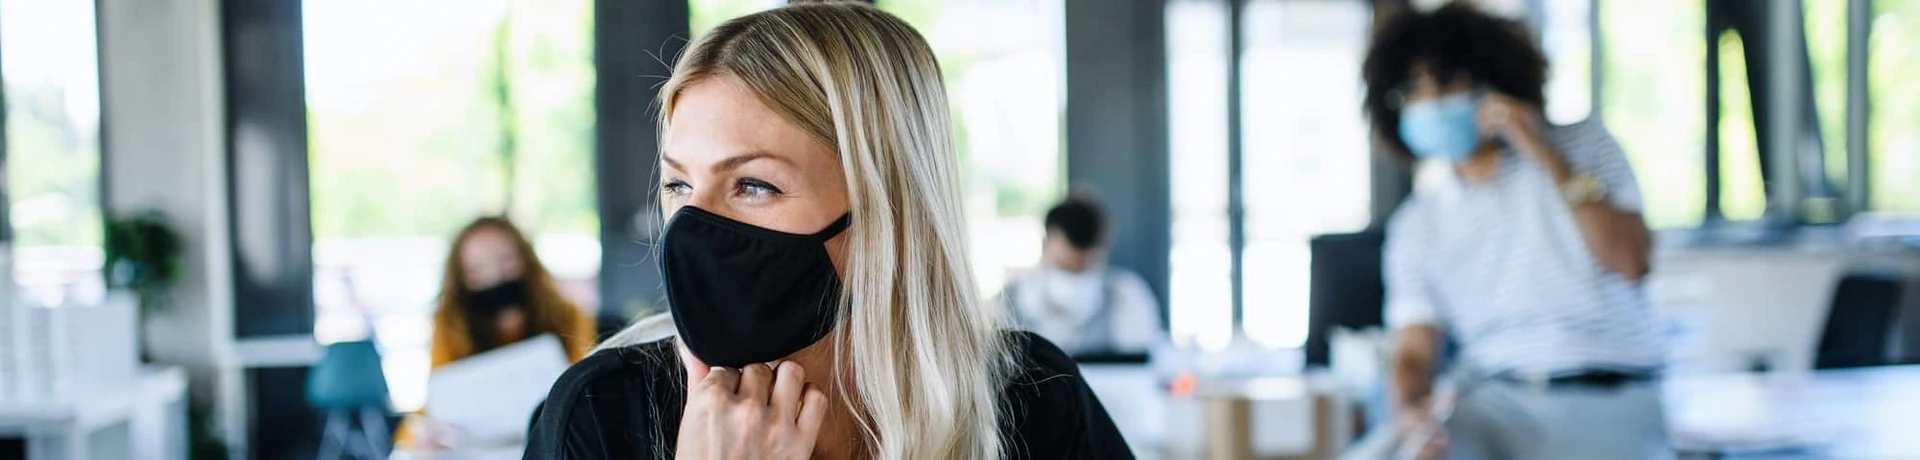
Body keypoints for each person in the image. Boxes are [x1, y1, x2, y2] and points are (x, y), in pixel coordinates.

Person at [524, 2, 1130, 459]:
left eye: (753, 185)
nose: (693, 224)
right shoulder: (603, 413)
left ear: (889, 209)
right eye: (679, 185)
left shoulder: (1030, 396)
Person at [1363, 3, 1668, 459]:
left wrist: (1542, 152)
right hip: (1494, 403)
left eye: (1445, 83)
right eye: (1412, 91)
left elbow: (1632, 260)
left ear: (1490, 83)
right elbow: (1414, 354)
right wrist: (1413, 414)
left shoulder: (1584, 146)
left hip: (1612, 396)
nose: (1429, 102)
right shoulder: (1416, 225)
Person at [402, 216, 596, 450]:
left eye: (505, 260)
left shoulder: (568, 316)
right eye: (476, 269)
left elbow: (582, 385)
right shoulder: (450, 325)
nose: (494, 276)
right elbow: (433, 405)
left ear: (526, 260)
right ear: (461, 279)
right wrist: (420, 435)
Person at [1002, 197, 1162, 358]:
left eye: (1085, 269)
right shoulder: (1009, 300)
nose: (1075, 278)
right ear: (1047, 244)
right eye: (1064, 267)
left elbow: (1144, 356)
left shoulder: (1127, 296)